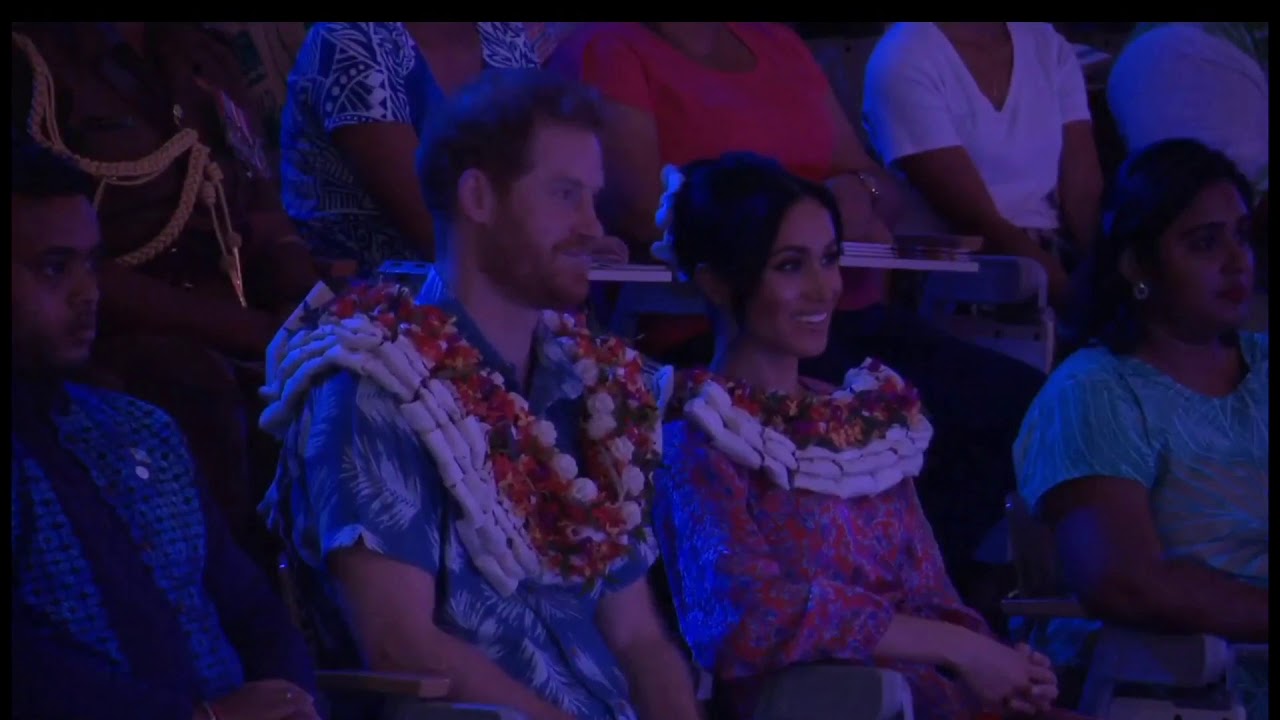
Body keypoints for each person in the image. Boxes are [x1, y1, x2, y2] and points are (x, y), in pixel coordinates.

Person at [258, 69, 702, 720]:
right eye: (564, 195)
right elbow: (399, 644)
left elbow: (638, 639)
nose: (593, 226)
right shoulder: (376, 381)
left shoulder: (594, 386)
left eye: (592, 198)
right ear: (478, 198)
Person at [551, 21, 1047, 597]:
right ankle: (865, 609)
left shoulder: (776, 42)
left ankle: (928, 599)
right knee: (901, 428)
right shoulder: (609, 49)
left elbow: (875, 180)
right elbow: (640, 210)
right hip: (718, 326)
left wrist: (849, 198)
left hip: (851, 313)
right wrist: (790, 215)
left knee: (1028, 405)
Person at [650, 152, 1059, 720]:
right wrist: (956, 650)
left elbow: (932, 594)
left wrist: (995, 665)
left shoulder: (861, 418)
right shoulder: (698, 433)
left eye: (829, 259)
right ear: (717, 282)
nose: (824, 289)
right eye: (791, 266)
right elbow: (742, 617)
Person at [11, 132, 321, 720]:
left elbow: (249, 603)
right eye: (54, 268)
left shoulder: (141, 428)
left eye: (91, 265)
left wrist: (288, 696)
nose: (87, 293)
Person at [11, 22, 321, 569]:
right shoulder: (32, 63)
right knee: (193, 382)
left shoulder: (203, 52)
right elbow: (48, 257)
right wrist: (254, 333)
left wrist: (315, 308)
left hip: (244, 314)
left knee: (378, 354)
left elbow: (263, 206)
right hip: (114, 332)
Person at [1015, 139, 1268, 718]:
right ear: (1137, 265)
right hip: (1176, 687)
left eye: (1242, 235)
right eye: (1205, 243)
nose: (1237, 262)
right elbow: (1123, 581)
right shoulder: (1097, 393)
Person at [862, 22, 1104, 309]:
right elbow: (976, 219)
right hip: (962, 270)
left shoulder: (1047, 44)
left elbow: (1084, 196)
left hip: (1056, 253)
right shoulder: (904, 56)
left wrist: (1110, 277)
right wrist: (1076, 300)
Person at [280, 22, 554, 272]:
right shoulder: (350, 39)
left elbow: (545, 181)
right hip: (373, 311)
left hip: (497, 295)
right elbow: (441, 235)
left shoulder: (503, 34)